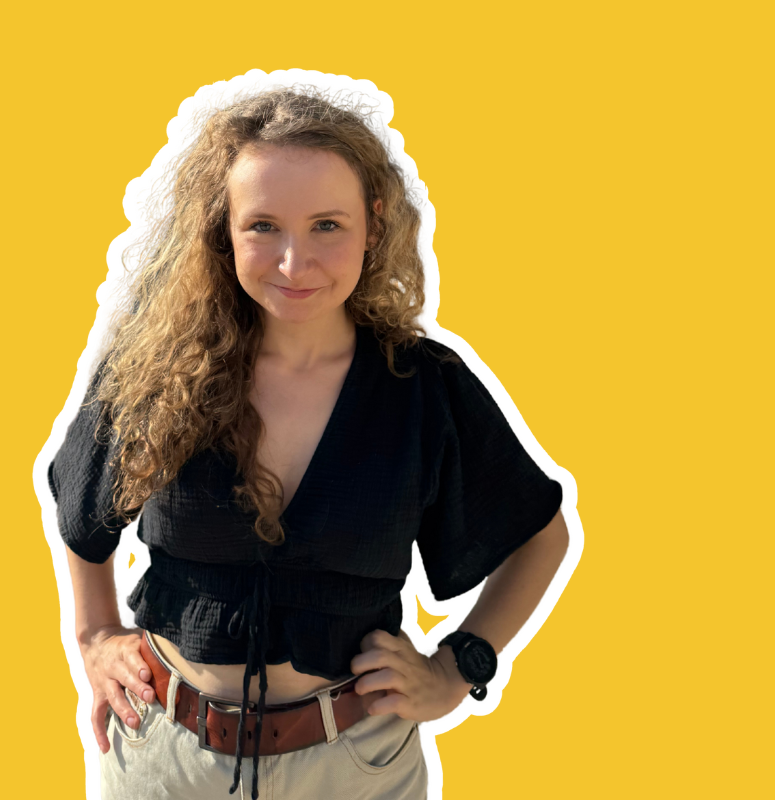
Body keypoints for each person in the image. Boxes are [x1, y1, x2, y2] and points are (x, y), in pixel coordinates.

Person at [46, 87, 570, 800]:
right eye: (263, 225)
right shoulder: (153, 368)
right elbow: (81, 513)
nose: (295, 263)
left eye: (327, 225)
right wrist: (94, 637)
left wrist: (459, 667)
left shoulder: (425, 389)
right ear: (222, 229)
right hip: (165, 760)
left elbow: (541, 536)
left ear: (373, 225)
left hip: (357, 767)